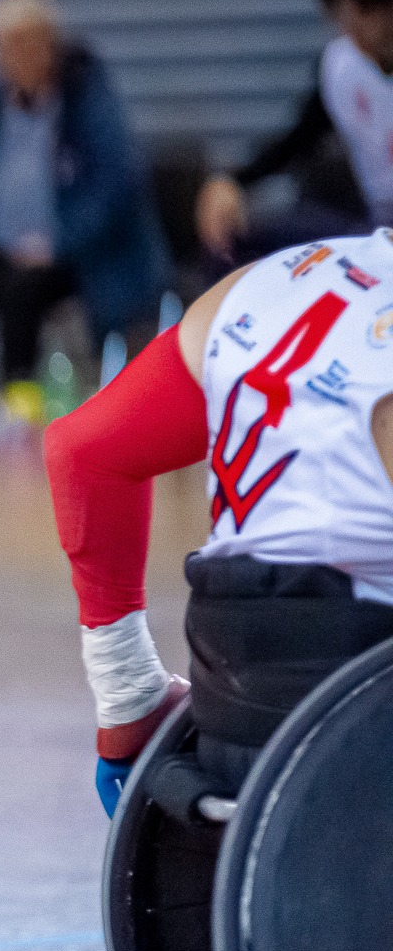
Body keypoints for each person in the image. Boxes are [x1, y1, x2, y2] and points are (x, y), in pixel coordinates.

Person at [43, 230, 393, 820]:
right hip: (359, 739)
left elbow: (83, 453)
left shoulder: (271, 281)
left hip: (232, 726)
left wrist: (129, 695)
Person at [0, 0, 166, 452]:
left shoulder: (86, 100)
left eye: (19, 45)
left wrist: (56, 241)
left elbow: (116, 186)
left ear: (47, 45)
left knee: (21, 289)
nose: (7, 58)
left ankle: (21, 416)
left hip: (73, 254)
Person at [195, 0, 393, 265]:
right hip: (378, 228)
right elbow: (298, 139)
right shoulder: (344, 66)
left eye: (358, 14)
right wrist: (234, 180)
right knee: (250, 243)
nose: (350, 29)